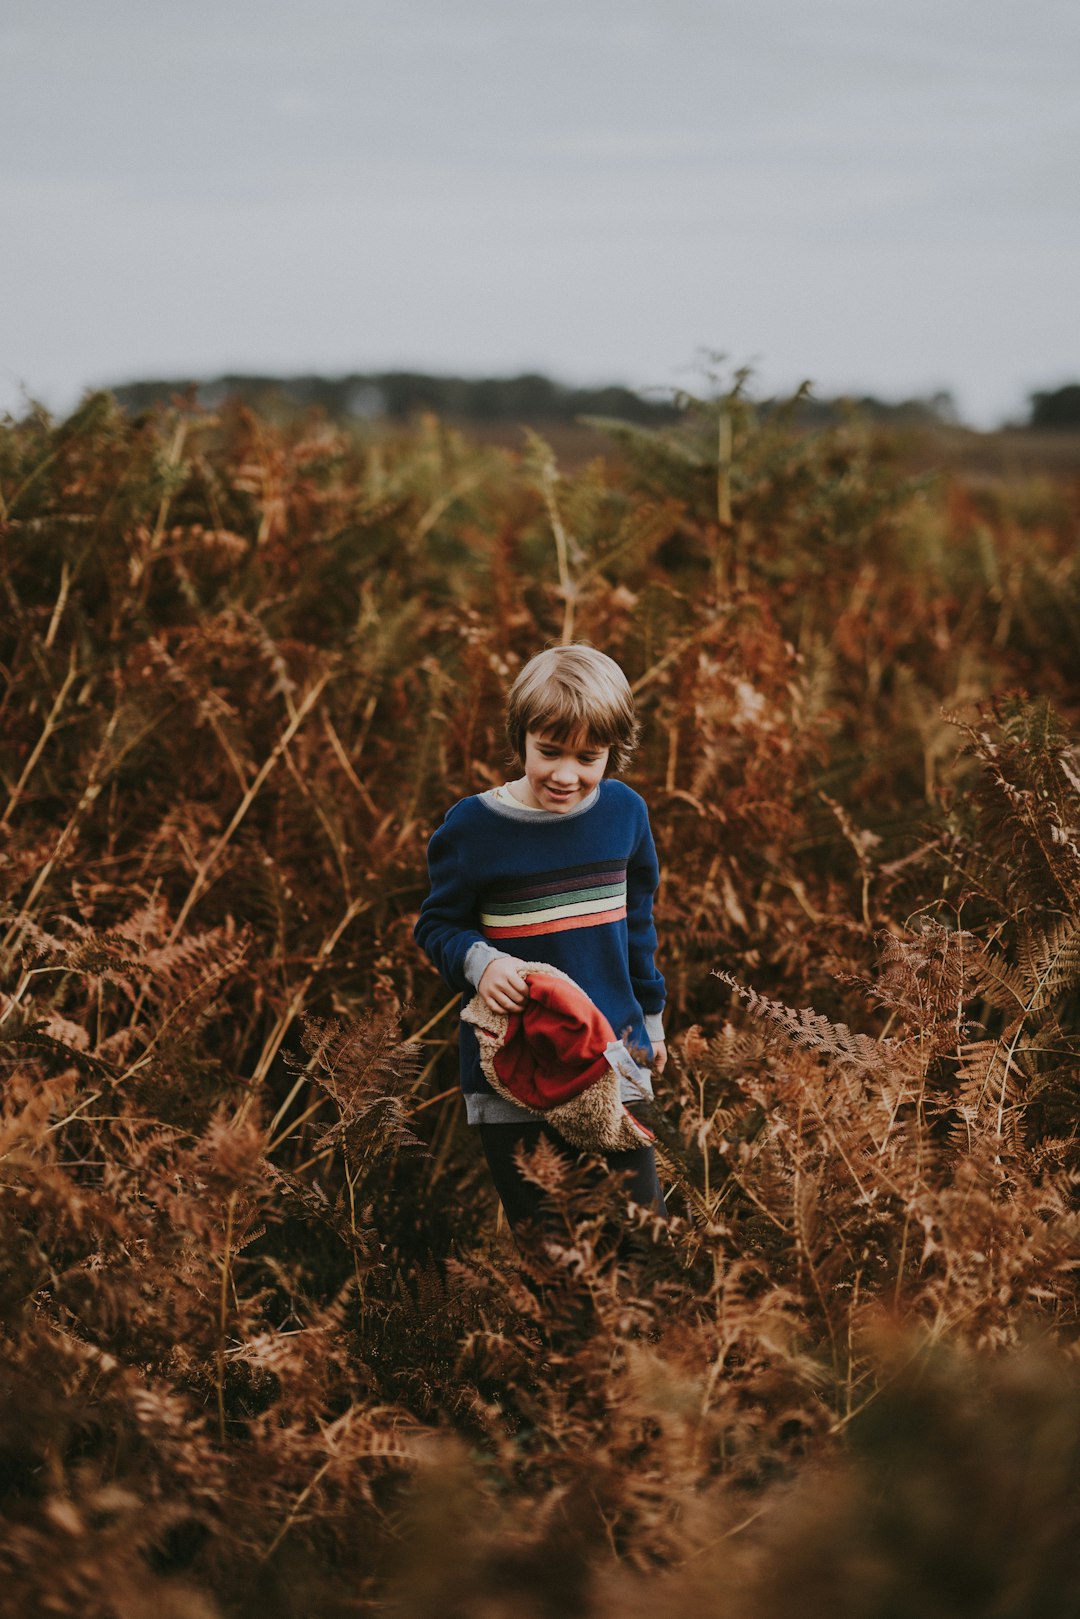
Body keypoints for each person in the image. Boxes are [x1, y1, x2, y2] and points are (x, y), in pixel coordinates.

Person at [414, 644, 667, 1240]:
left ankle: (632, 1340)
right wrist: (482, 963)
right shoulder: (474, 828)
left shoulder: (625, 814)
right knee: (552, 1249)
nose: (565, 774)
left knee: (640, 1238)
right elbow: (437, 925)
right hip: (514, 1071)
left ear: (614, 750)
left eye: (588, 757)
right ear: (520, 736)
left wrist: (651, 1022)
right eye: (548, 752)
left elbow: (638, 923)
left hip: (613, 1060)